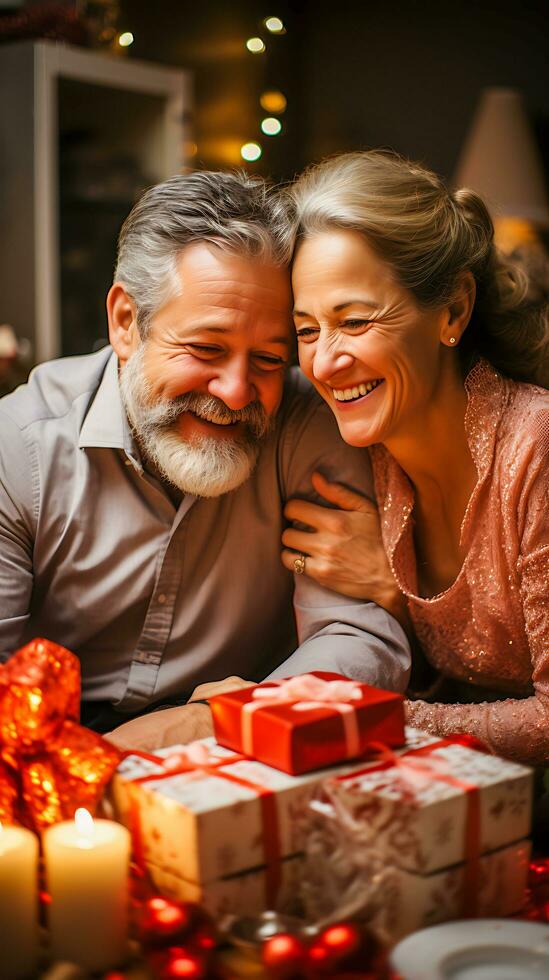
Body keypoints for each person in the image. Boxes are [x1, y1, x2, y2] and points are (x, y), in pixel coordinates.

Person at [0, 170, 410, 750]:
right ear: (125, 322)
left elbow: (358, 637)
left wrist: (217, 718)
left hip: (240, 754)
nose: (237, 392)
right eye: (205, 349)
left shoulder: (307, 427)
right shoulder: (17, 449)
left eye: (268, 359)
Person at [281, 150, 549, 766]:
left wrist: (340, 712)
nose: (324, 364)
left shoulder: (534, 450)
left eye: (354, 320)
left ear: (452, 309)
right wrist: (393, 597)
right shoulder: (364, 453)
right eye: (306, 330)